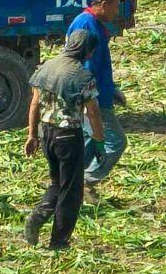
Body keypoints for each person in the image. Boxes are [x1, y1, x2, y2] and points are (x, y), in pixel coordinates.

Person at [23, 31, 105, 250]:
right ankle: (58, 241)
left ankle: (38, 216)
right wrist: (99, 141)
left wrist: (32, 135)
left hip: (47, 133)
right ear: (87, 50)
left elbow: (34, 103)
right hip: (68, 136)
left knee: (58, 182)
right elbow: (93, 112)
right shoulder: (82, 77)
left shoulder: (47, 67)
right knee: (71, 192)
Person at [66, 0, 129, 186]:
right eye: (115, 6)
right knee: (116, 142)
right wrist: (90, 101)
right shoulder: (86, 25)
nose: (117, 11)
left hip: (100, 93)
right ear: (103, 4)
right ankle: (87, 181)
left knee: (90, 140)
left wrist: (112, 88)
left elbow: (99, 65)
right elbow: (86, 67)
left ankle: (70, 181)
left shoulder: (93, 23)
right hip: (93, 98)